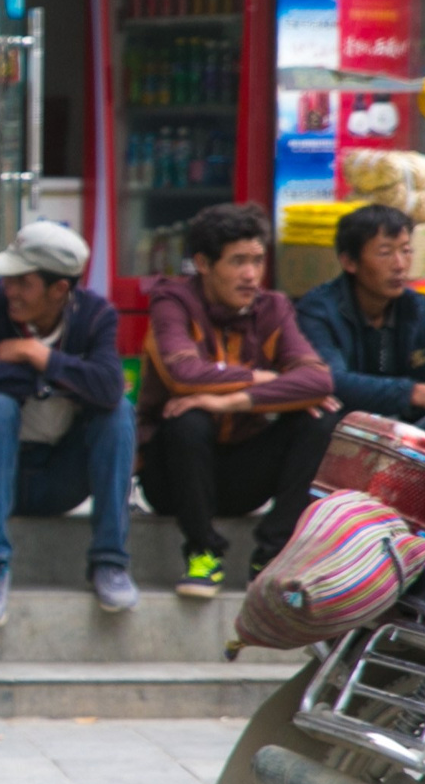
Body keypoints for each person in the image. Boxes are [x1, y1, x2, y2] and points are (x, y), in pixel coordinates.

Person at [137, 202, 338, 599]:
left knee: (320, 421)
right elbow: (184, 374)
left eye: (258, 261)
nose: (251, 275)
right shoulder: (172, 302)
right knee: (187, 420)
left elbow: (318, 380)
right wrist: (262, 379)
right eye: (237, 262)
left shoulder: (273, 307)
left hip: (243, 470)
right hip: (174, 476)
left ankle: (272, 556)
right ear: (203, 264)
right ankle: (201, 553)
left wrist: (230, 402)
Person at [0, 218, 137, 624]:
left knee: (118, 414)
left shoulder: (95, 315)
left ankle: (110, 561)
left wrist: (36, 355)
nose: (9, 290)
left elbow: (109, 387)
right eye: (8, 280)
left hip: (62, 478)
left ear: (59, 289)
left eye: (22, 282)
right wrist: (67, 377)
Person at [294, 202, 425, 450]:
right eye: (385, 252)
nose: (400, 264)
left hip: (402, 439)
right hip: (344, 440)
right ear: (349, 262)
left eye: (406, 250)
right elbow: (332, 382)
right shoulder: (318, 309)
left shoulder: (414, 307)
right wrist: (416, 393)